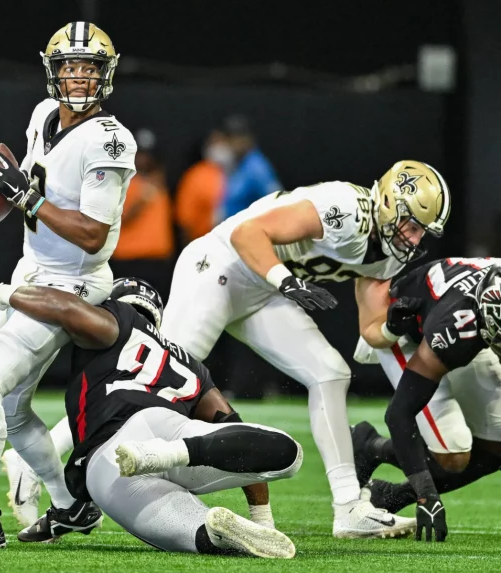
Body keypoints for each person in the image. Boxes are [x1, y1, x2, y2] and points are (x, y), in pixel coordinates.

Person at [158, 160, 451, 538]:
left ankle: (349, 507)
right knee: (164, 380)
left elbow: (369, 327)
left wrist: (398, 327)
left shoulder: (391, 251)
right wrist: (287, 282)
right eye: (412, 226)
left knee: (331, 372)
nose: (414, 239)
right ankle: (88, 467)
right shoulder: (346, 209)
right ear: (391, 205)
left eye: (422, 232)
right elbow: (247, 234)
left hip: (263, 291)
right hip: (221, 266)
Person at [0, 21, 137, 549]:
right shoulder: (43, 115)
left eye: (88, 68)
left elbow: (92, 235)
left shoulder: (111, 138)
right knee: (12, 408)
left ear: (105, 75)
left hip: (73, 284)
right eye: (69, 67)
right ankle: (70, 508)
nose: (77, 77)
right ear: (52, 71)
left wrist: (28, 198)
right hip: (33, 273)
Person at [0, 278, 301, 557]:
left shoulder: (114, 319)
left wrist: (7, 293)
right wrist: (262, 515)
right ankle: (207, 488)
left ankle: (181, 486)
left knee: (196, 534)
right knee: (288, 454)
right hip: (178, 434)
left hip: (111, 459)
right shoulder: (191, 367)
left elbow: (65, 307)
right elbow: (235, 434)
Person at [350, 257, 501, 542]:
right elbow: (400, 413)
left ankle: (391, 494)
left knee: (497, 444)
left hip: (472, 328)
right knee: (453, 454)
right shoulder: (453, 326)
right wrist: (426, 495)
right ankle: (369, 445)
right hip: (410, 335)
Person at [110, 128, 174, 298]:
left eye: (148, 154)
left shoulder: (160, 182)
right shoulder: (121, 181)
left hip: (158, 262)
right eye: (139, 154)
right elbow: (113, 219)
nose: (143, 159)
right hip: (130, 260)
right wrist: (140, 201)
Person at [218, 115, 281, 219]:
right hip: (231, 229)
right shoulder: (236, 164)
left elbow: (276, 202)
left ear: (249, 138)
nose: (235, 143)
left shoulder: (257, 168)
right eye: (230, 138)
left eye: (239, 137)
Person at [175, 129, 227, 244]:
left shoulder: (241, 172)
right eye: (215, 143)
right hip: (207, 244)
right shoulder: (197, 175)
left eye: (224, 142)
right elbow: (186, 221)